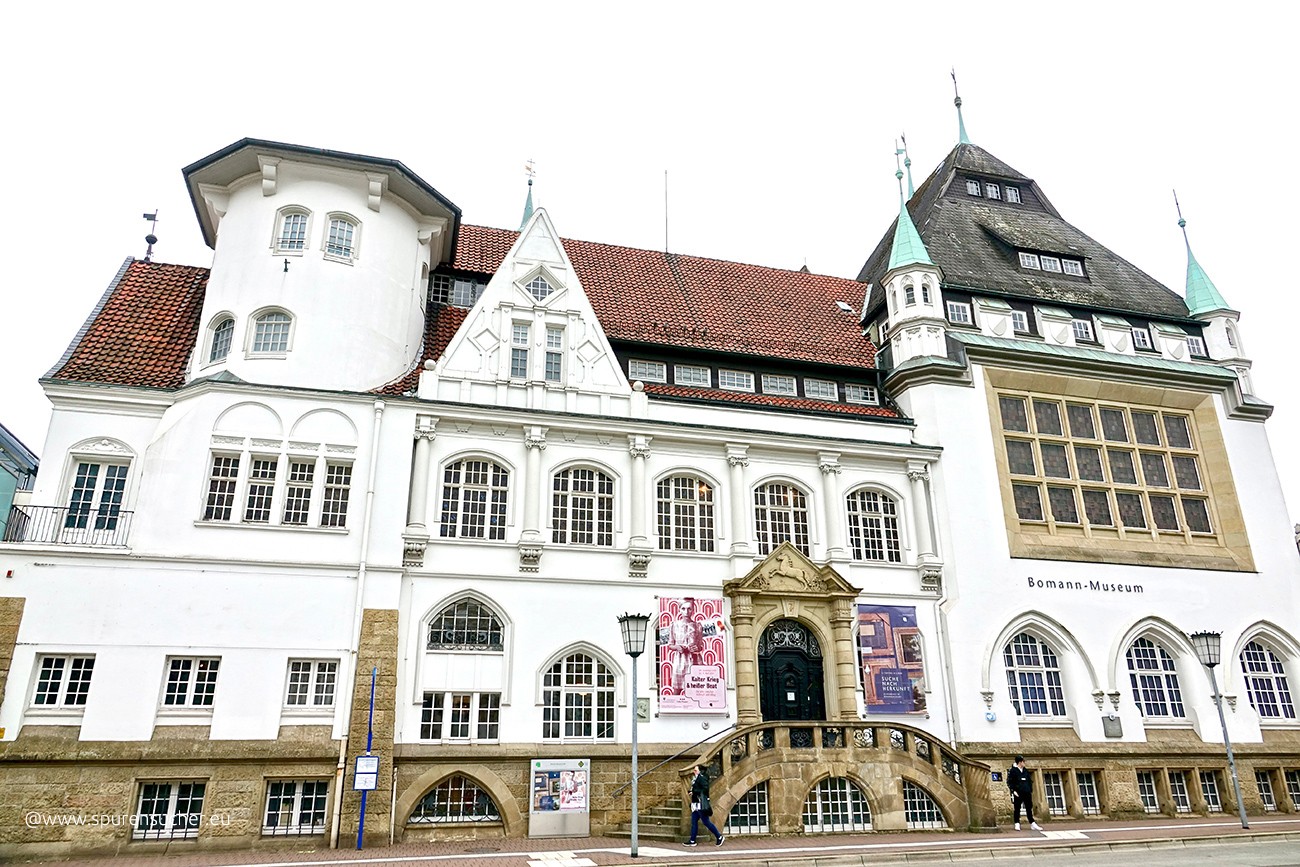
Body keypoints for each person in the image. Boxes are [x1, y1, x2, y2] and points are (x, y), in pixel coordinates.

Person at [665, 598, 706, 694]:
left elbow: (700, 645)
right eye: (683, 609)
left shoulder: (698, 626)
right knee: (677, 690)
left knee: (695, 689)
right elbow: (670, 644)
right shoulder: (674, 625)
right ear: (679, 610)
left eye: (689, 609)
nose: (686, 612)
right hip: (680, 660)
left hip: (694, 660)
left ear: (693, 610)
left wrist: (697, 648)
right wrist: (677, 647)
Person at [686, 764, 724, 846]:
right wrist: (692, 791)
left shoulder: (702, 778)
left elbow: (705, 789)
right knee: (694, 822)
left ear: (699, 771)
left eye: (695, 770)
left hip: (701, 803)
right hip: (696, 803)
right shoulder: (696, 778)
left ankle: (719, 836)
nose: (694, 772)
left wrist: (694, 792)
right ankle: (692, 840)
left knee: (706, 822)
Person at [1007, 755, 1042, 831]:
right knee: (1017, 808)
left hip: (1026, 792)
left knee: (1029, 808)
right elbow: (1010, 782)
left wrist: (1030, 789)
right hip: (1018, 792)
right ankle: (1017, 823)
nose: (1024, 763)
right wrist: (1013, 791)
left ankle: (1032, 823)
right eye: (1023, 761)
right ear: (1020, 762)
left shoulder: (1025, 770)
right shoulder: (1013, 771)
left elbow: (1029, 780)